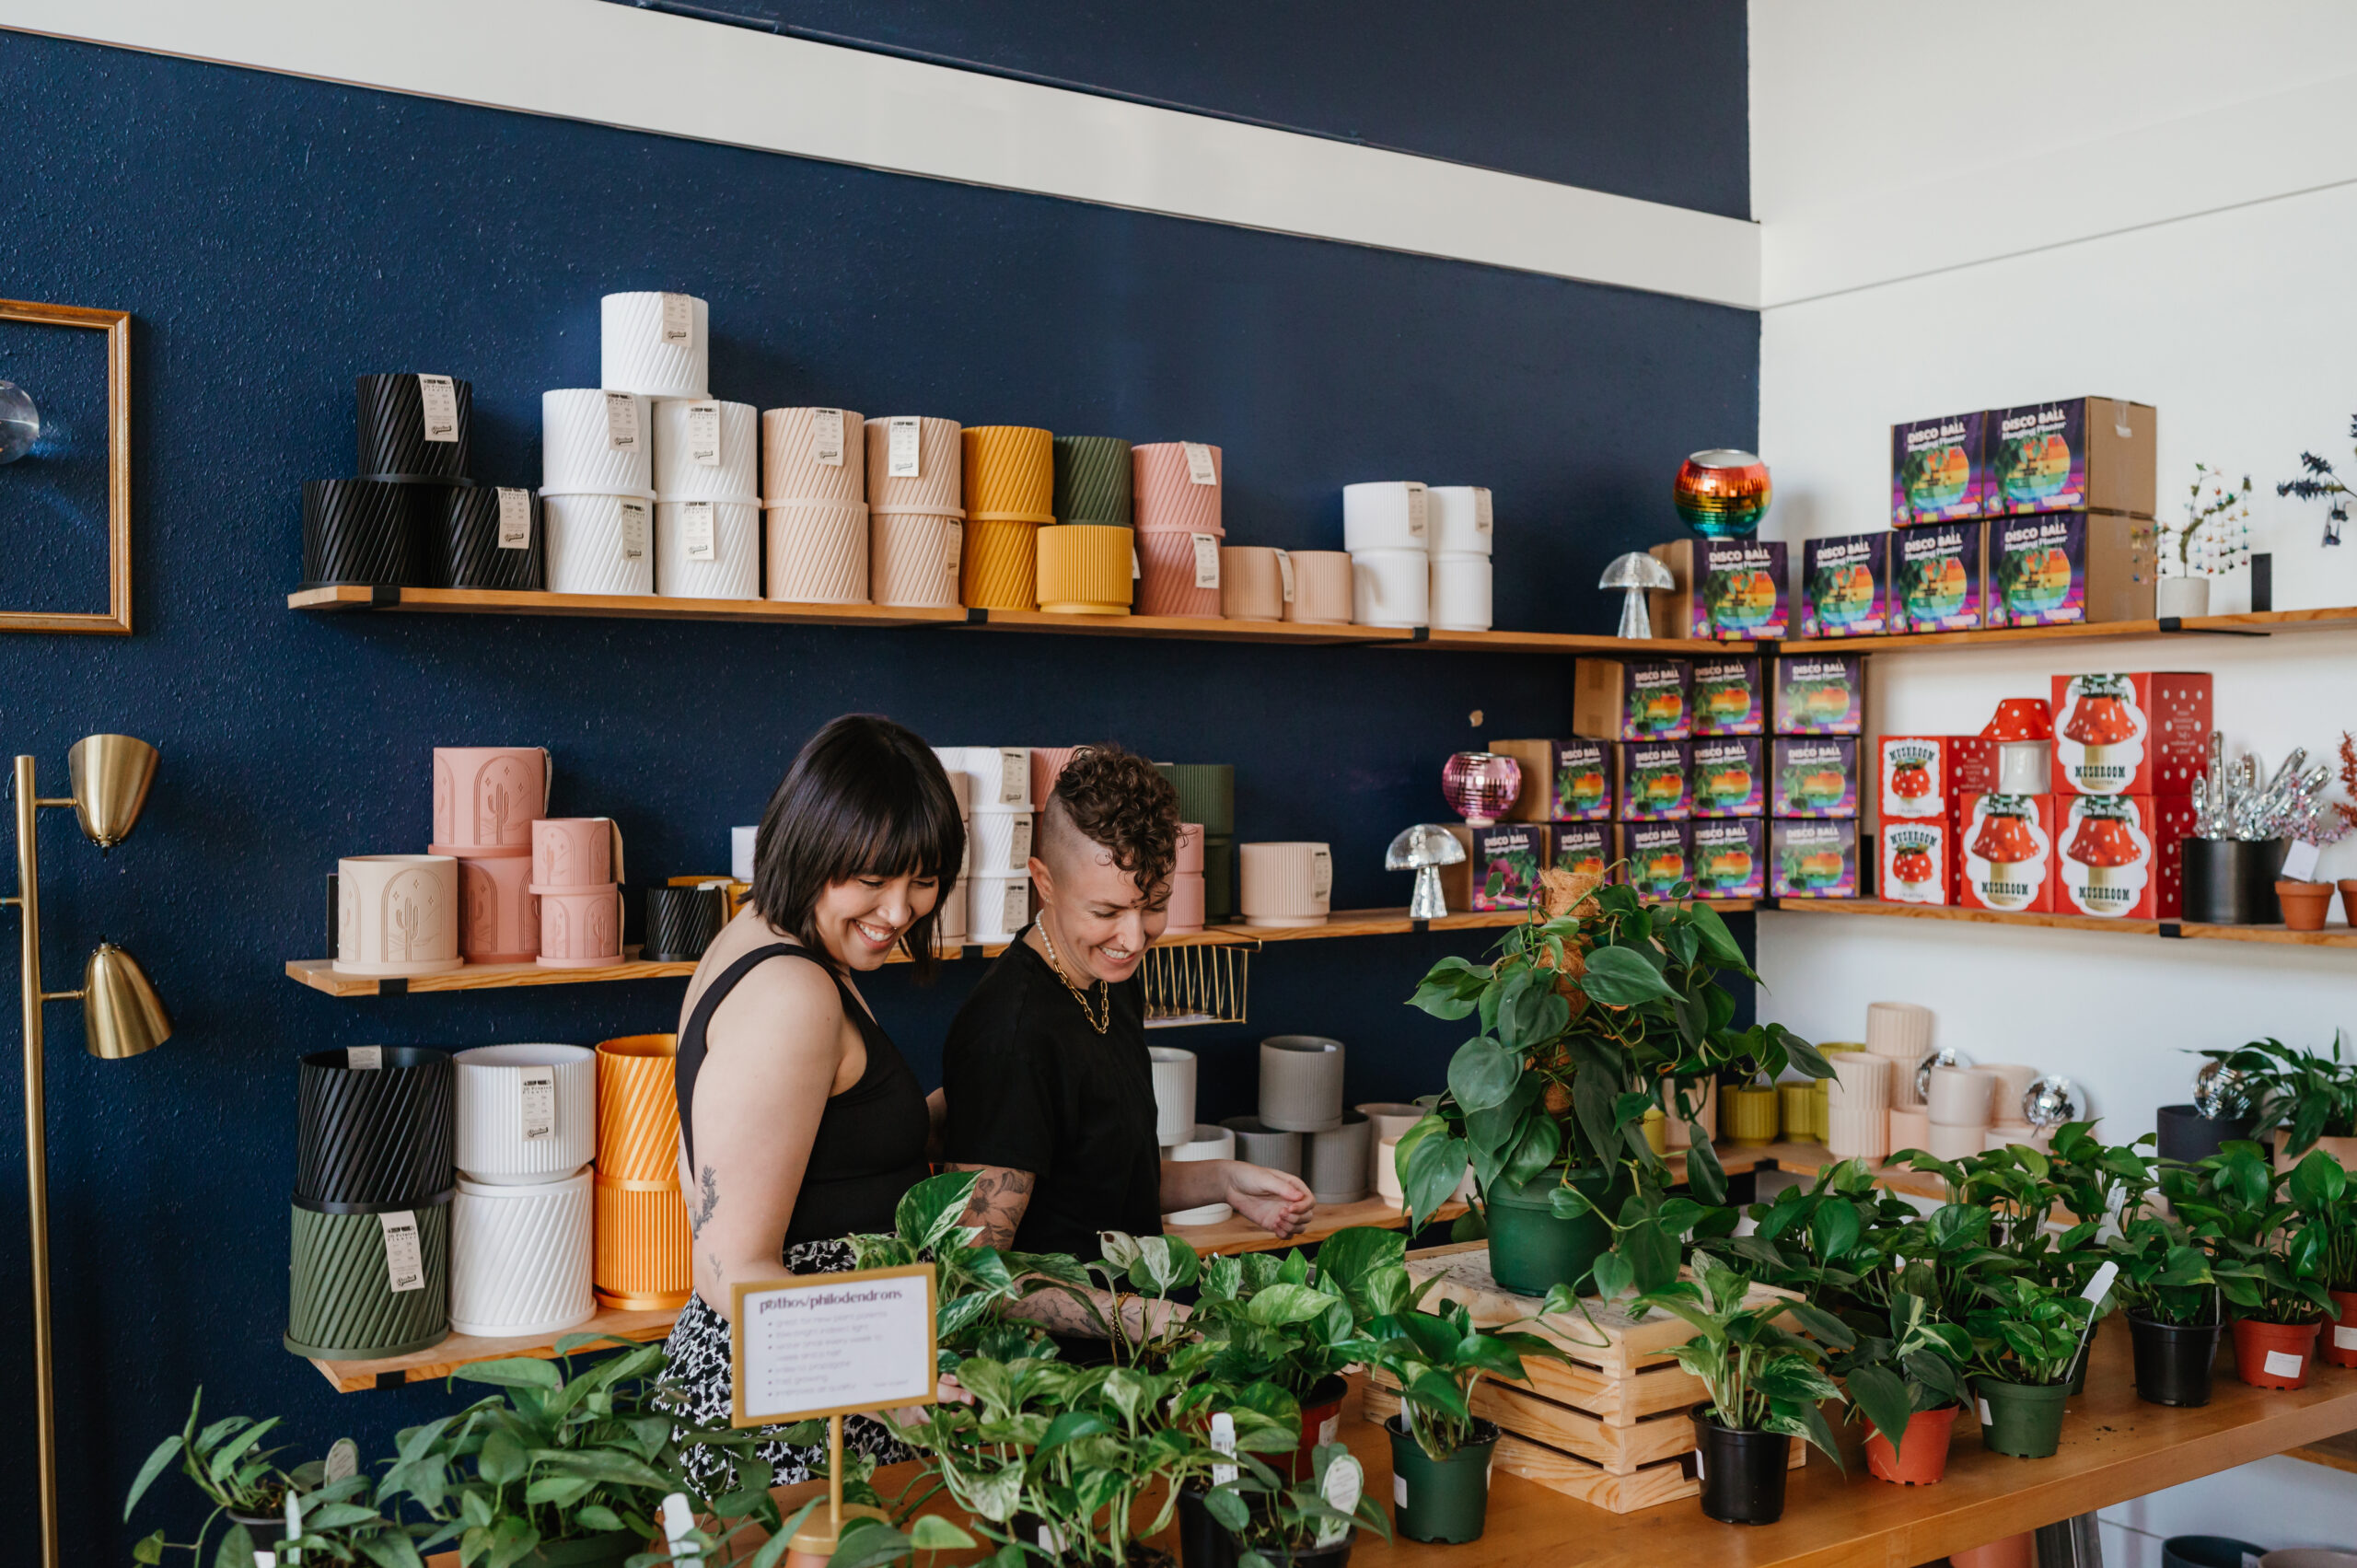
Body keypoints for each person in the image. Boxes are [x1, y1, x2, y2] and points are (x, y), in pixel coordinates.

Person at [662, 714, 964, 1488]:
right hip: (798, 1388)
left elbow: (822, 1150)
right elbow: (729, 1267)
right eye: (872, 878)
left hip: (815, 1359)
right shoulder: (793, 991)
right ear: (813, 844)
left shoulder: (766, 937)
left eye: (922, 880)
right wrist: (892, 1380)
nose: (899, 912)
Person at [942, 743, 1314, 1344]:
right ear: (1044, 882)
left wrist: (1222, 1179)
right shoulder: (1012, 1036)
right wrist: (1161, 1319)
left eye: (1155, 905)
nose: (1133, 936)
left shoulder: (1108, 980)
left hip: (1135, 1360)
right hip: (1059, 1397)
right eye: (1107, 909)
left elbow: (1098, 1176)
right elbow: (974, 1280)